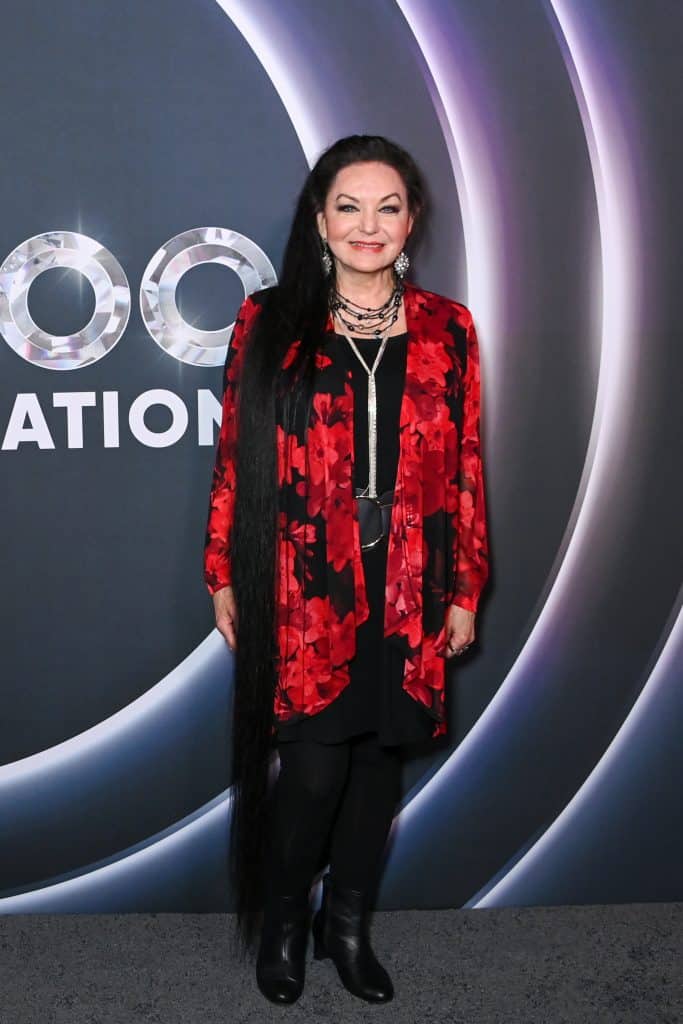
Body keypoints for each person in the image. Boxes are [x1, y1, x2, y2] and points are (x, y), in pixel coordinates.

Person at [203, 134, 490, 1005]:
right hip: (303, 589)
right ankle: (284, 921)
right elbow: (233, 457)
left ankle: (347, 928)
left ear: (412, 221)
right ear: (319, 221)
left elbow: (467, 463)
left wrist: (466, 585)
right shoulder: (269, 319)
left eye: (388, 207)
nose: (369, 226)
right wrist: (221, 571)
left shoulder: (448, 327)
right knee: (317, 769)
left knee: (378, 769)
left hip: (411, 583)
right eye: (349, 207)